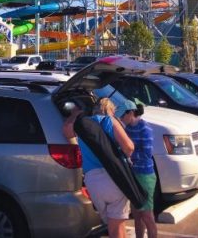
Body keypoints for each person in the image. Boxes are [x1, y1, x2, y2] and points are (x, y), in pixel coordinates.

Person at [63, 97, 135, 238]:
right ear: (111, 110)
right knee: (118, 227)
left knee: (112, 226)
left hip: (93, 182)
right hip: (114, 178)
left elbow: (66, 131)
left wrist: (75, 114)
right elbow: (129, 147)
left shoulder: (82, 124)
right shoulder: (109, 121)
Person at [120, 99, 158, 238]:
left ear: (131, 113)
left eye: (122, 115)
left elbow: (147, 153)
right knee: (136, 215)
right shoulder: (127, 128)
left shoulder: (145, 128)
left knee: (147, 216)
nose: (121, 119)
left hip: (145, 175)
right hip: (133, 174)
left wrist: (129, 154)